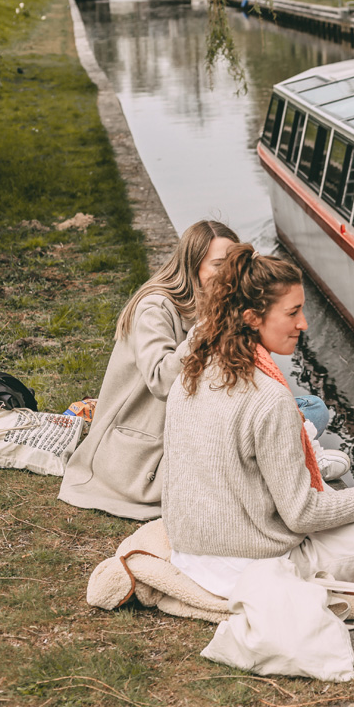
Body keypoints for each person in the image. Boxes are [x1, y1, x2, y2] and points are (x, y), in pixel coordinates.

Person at [162, 244, 354, 598]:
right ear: (252, 317)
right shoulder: (269, 398)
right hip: (256, 570)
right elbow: (303, 515)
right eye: (293, 312)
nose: (304, 323)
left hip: (190, 555)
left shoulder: (193, 371)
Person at [59, 220, 240, 519]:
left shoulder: (216, 306)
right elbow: (162, 382)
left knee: (308, 408)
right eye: (219, 265)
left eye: (234, 265)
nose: (228, 276)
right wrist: (204, 331)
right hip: (144, 451)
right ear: (191, 267)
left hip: (192, 426)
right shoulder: (154, 308)